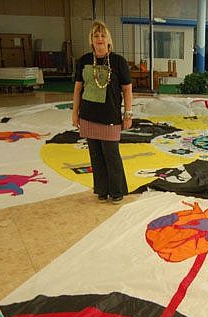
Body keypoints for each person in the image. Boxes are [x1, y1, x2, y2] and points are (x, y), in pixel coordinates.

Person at [72, 20, 133, 204]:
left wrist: (128, 114)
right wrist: (75, 113)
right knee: (95, 155)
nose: (99, 39)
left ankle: (116, 191)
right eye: (96, 36)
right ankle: (102, 190)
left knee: (111, 155)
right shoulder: (83, 61)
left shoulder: (118, 61)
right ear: (91, 40)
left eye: (102, 35)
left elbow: (127, 90)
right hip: (88, 116)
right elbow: (77, 90)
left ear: (108, 40)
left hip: (111, 117)